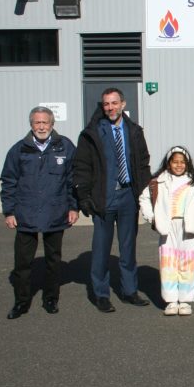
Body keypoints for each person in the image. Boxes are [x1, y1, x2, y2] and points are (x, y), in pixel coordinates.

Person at [73, 87, 151, 313]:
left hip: (128, 196)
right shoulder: (92, 133)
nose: (110, 108)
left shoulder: (134, 131)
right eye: (106, 104)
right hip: (104, 197)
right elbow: (82, 167)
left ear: (123, 104)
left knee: (128, 248)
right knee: (101, 249)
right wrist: (84, 196)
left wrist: (142, 191)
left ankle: (129, 291)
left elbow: (143, 162)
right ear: (102, 106)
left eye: (114, 103)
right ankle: (101, 294)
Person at [0, 106, 79, 319]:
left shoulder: (65, 147)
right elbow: (9, 182)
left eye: (45, 122)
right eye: (37, 122)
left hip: (56, 212)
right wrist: (9, 211)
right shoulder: (19, 149)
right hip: (25, 214)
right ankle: (21, 302)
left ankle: (51, 299)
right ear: (31, 124)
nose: (41, 126)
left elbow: (73, 181)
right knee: (23, 262)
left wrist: (73, 207)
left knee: (53, 260)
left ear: (52, 124)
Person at [139, 146, 194, 316]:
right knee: (168, 264)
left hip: (188, 227)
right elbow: (144, 198)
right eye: (175, 162)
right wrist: (152, 218)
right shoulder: (158, 181)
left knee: (188, 264)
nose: (179, 165)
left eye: (183, 162)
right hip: (167, 227)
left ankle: (185, 301)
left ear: (187, 164)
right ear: (169, 163)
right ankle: (171, 301)